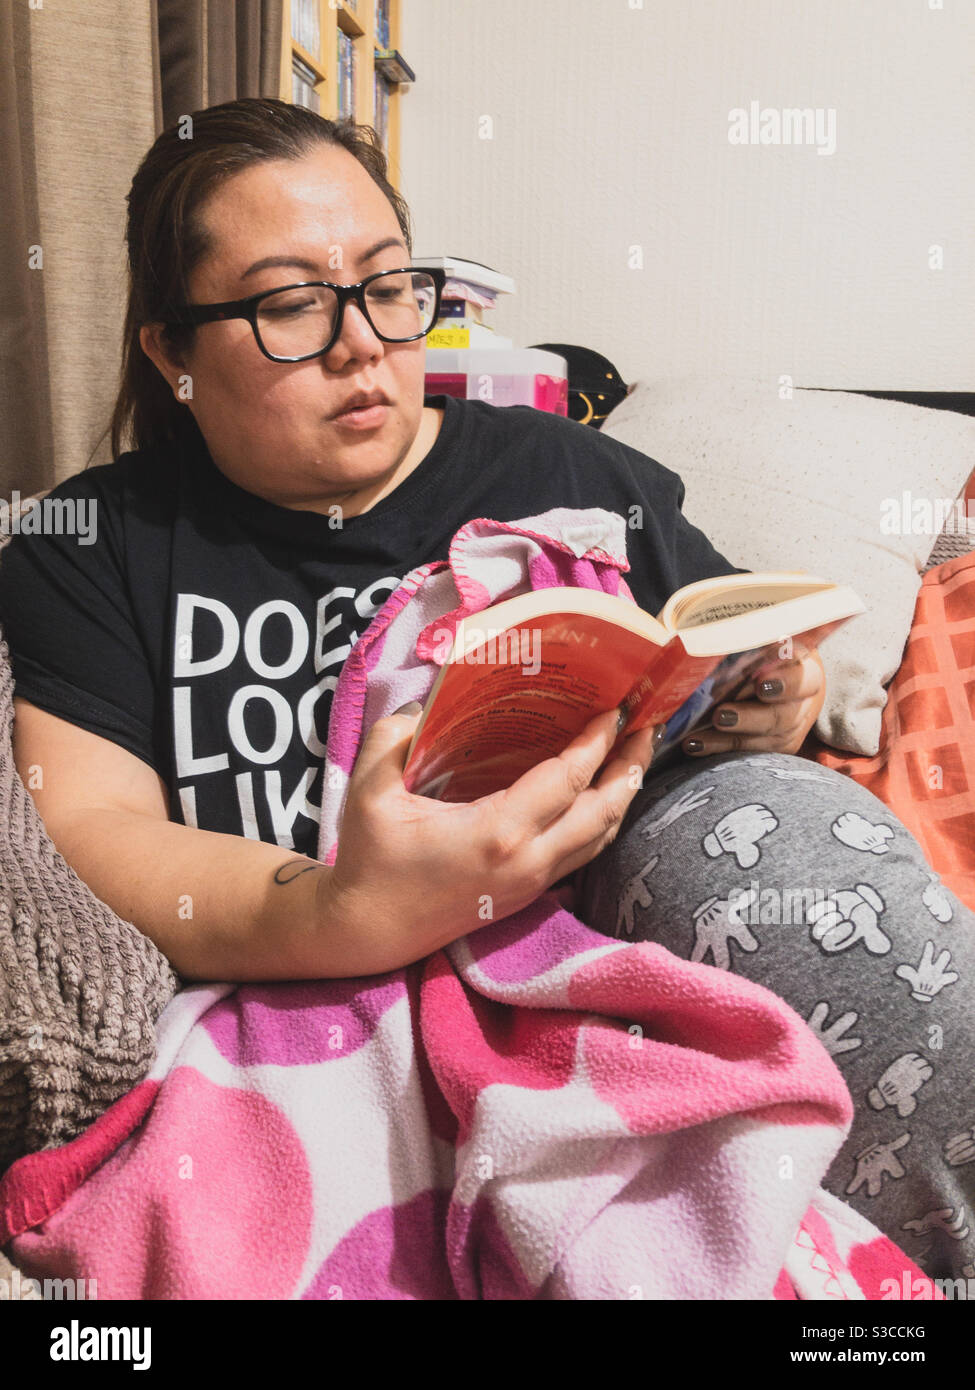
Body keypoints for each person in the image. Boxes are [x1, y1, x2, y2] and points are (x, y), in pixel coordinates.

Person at [0, 97, 969, 1283]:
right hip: (303, 1001)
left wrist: (774, 692)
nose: (364, 342)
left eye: (387, 284)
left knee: (803, 843)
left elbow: (720, 634)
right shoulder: (90, 539)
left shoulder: (566, 472)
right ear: (172, 351)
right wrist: (344, 909)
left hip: (602, 954)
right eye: (293, 303)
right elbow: (90, 823)